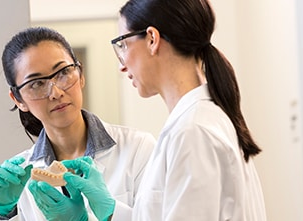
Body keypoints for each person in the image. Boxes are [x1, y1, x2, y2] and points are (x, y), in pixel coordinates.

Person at [61, 0, 267, 220]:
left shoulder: (193, 131)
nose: (122, 65)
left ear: (152, 39)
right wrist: (109, 212)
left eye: (123, 45)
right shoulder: (198, 121)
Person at [0, 26, 155, 221]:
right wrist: (3, 212)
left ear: (80, 75)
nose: (56, 92)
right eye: (37, 84)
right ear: (18, 100)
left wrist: (109, 214)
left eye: (63, 72)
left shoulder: (139, 148)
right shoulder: (18, 178)